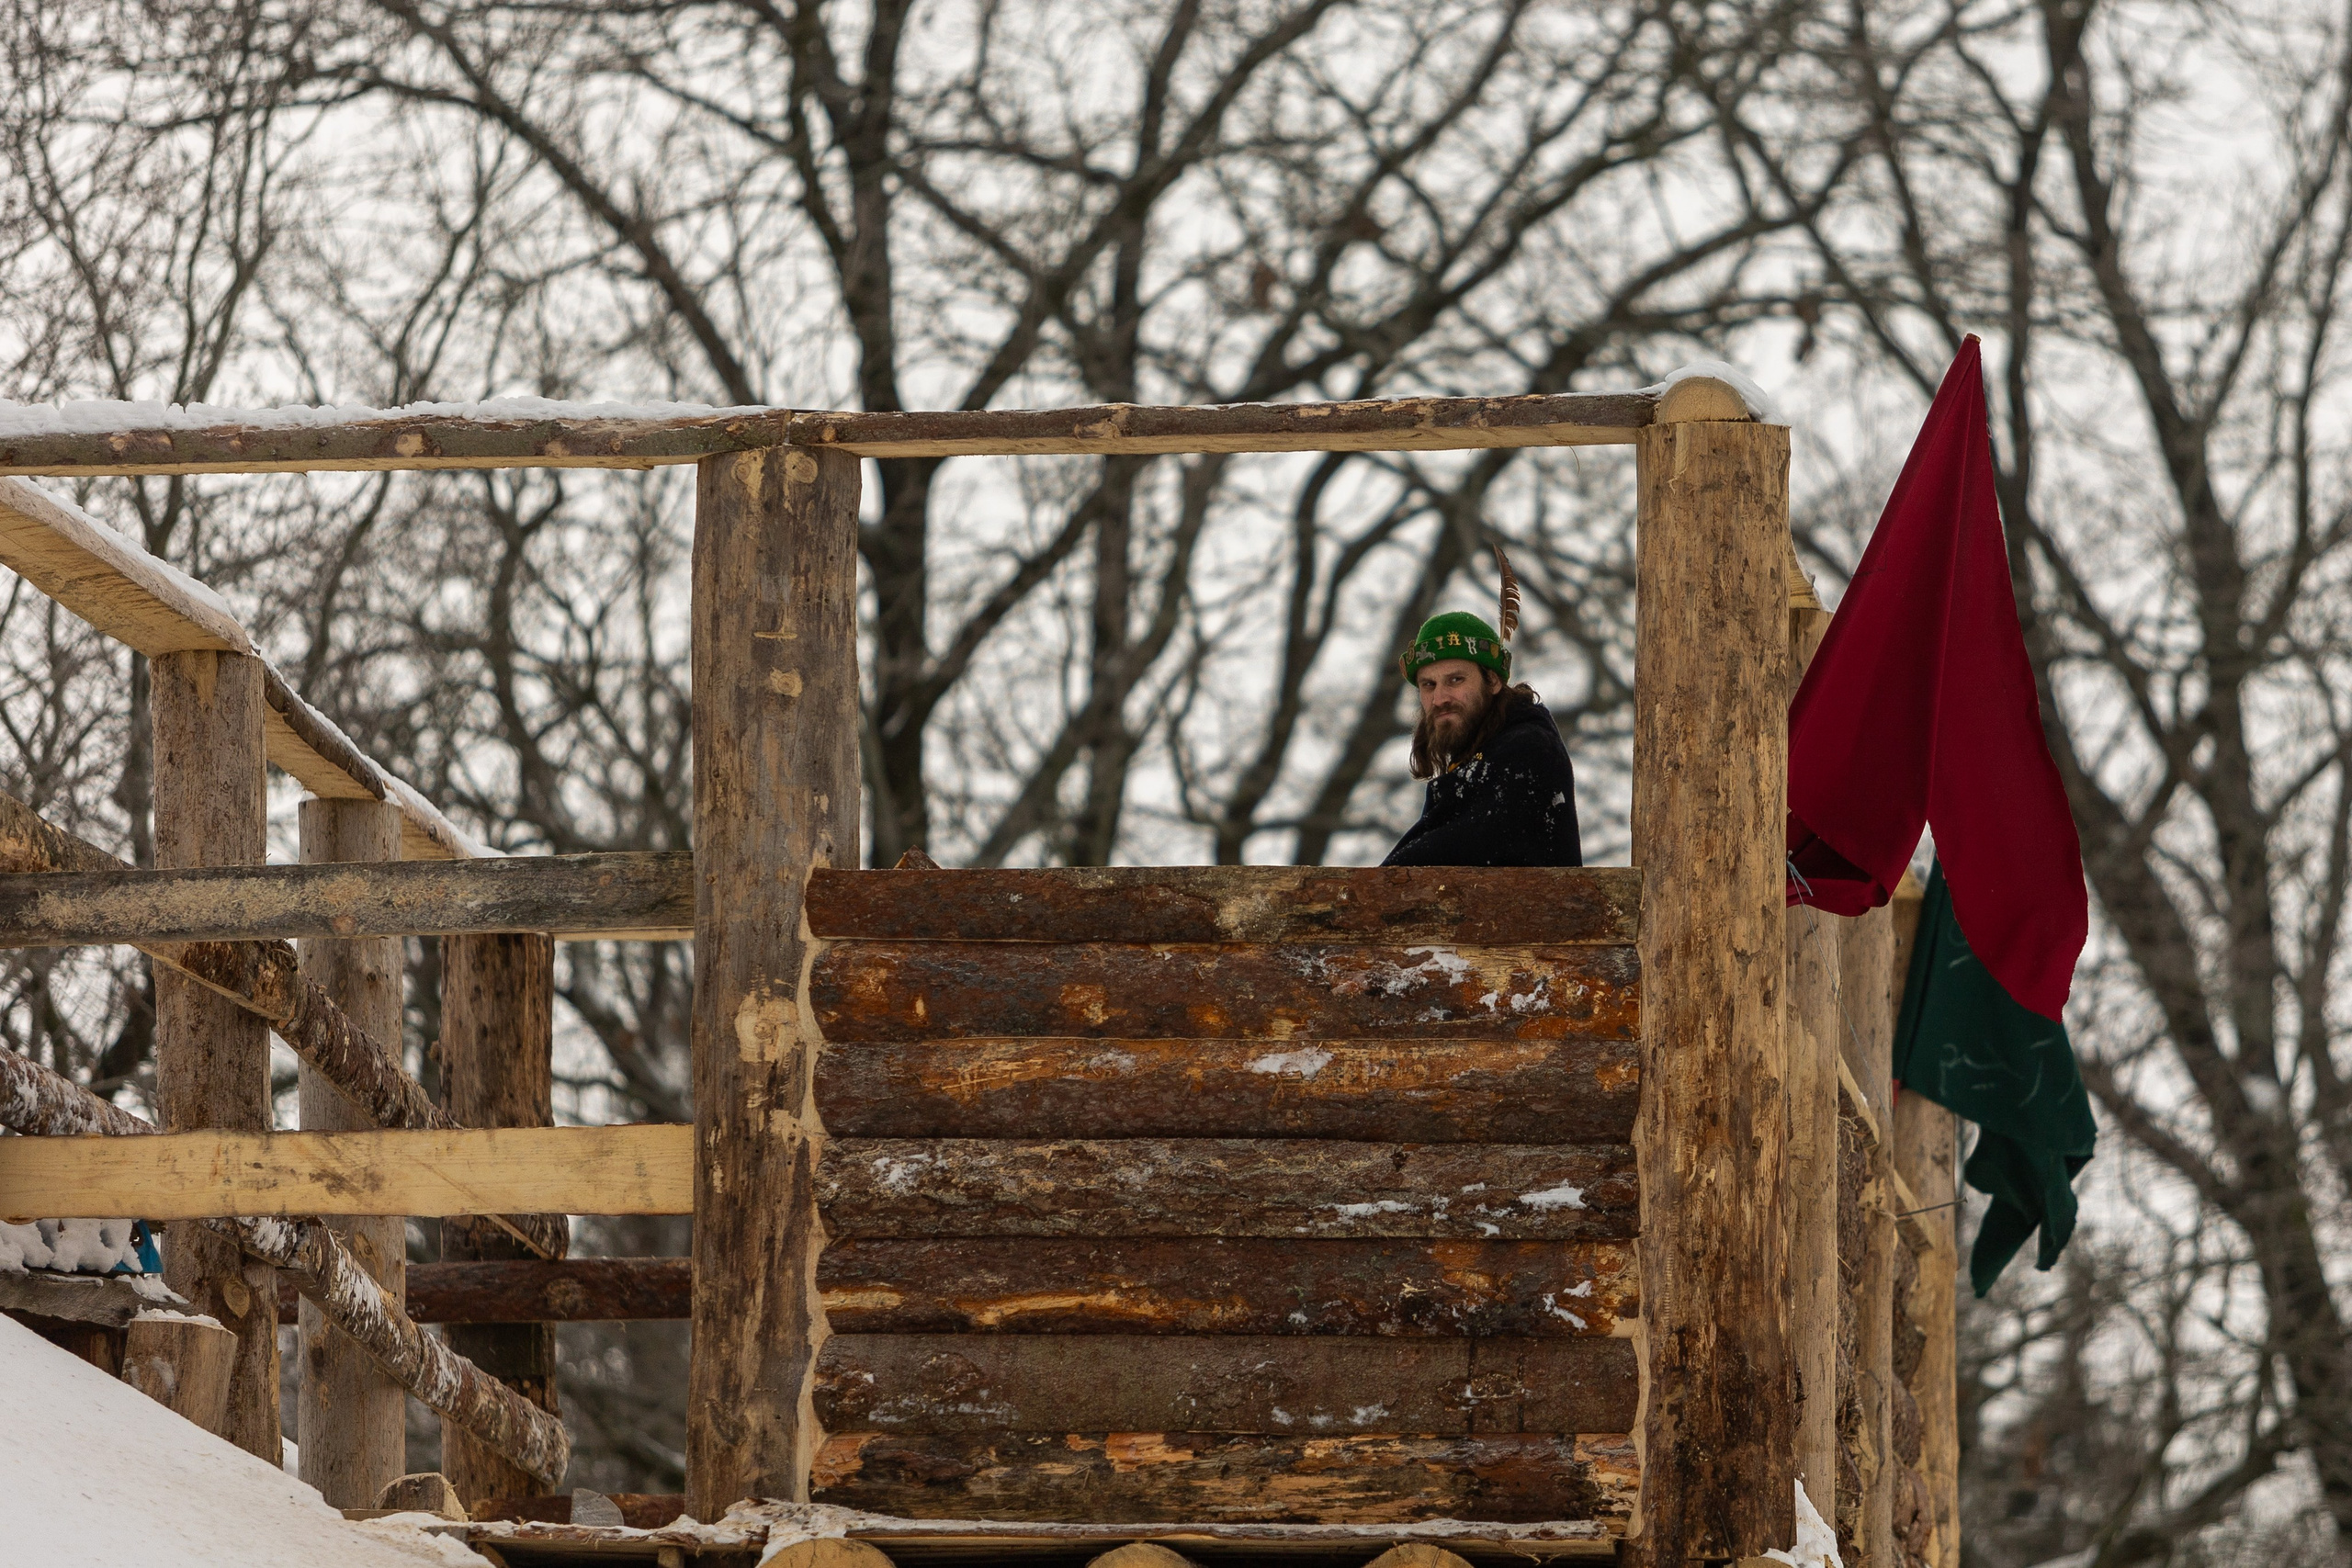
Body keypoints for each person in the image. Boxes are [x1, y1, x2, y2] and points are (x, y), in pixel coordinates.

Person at [1382, 566, 1582, 866]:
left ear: (1493, 681)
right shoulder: (1477, 757)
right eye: (1428, 685)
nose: (1439, 699)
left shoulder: (1528, 748)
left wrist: (1383, 880)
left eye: (1455, 680)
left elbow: (1476, 842)